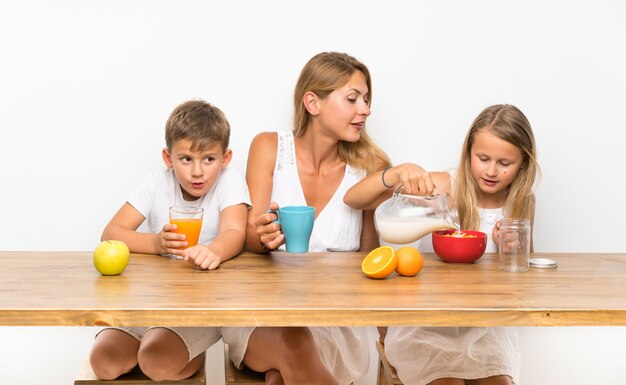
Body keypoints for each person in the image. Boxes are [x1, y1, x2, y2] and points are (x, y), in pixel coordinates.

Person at [221, 51, 391, 385]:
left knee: (280, 376)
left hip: (335, 318)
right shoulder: (269, 147)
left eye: (367, 100)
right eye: (353, 99)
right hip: (264, 312)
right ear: (312, 103)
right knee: (293, 342)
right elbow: (251, 238)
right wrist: (264, 235)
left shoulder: (370, 168)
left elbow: (372, 260)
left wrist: (388, 335)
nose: (366, 110)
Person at [344, 104, 540, 385]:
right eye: (482, 158)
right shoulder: (444, 187)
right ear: (468, 152)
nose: (492, 171)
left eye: (505, 164)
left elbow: (527, 273)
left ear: (523, 163)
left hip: (485, 330)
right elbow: (354, 199)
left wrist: (513, 248)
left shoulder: (521, 203)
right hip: (428, 326)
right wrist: (397, 173)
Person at [89, 100, 250, 381]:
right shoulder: (155, 181)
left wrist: (213, 251)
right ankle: (157, 342)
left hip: (199, 305)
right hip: (151, 299)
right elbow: (111, 233)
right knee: (103, 362)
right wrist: (155, 244)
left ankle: (186, 352)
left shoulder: (230, 181)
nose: (197, 171)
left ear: (225, 159)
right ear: (168, 158)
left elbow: (235, 233)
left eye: (209, 159)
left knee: (156, 361)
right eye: (186, 159)